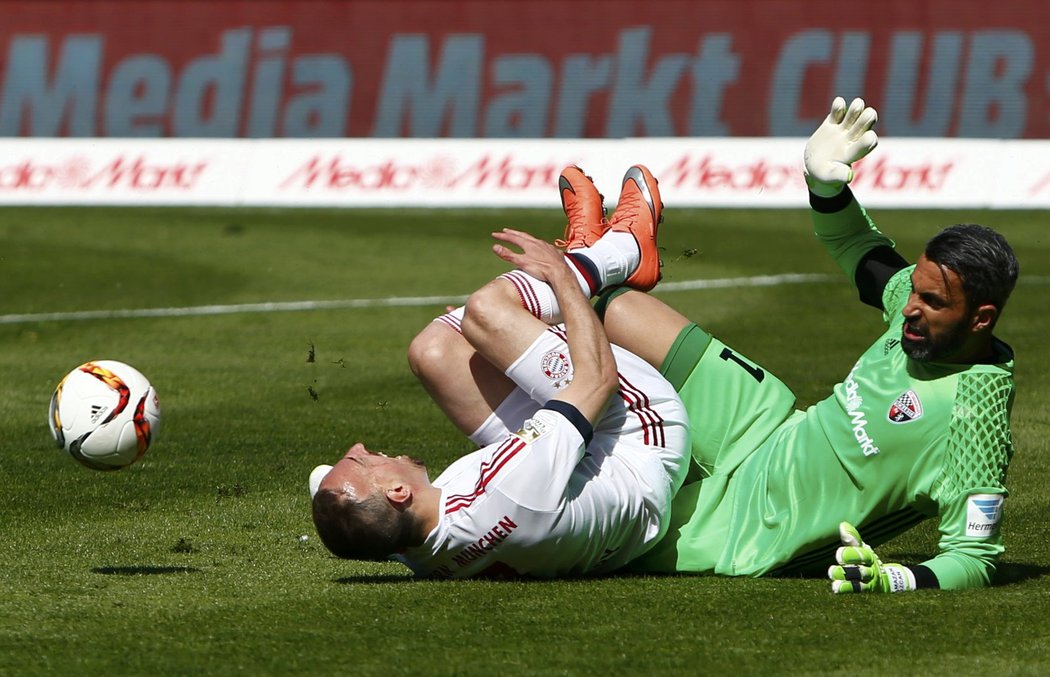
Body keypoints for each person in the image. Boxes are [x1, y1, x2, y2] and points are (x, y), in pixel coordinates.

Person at [407, 97, 1019, 593]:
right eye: (915, 290)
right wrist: (825, 186)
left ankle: (591, 261)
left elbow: (974, 555)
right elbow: (861, 251)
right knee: (616, 310)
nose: (910, 307)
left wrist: (898, 578)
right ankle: (605, 266)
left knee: (441, 353)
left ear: (981, 319)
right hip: (760, 423)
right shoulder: (913, 308)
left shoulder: (975, 417)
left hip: (736, 528)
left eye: (933, 303)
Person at [310, 166, 692, 578]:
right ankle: (620, 253)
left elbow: (344, 506)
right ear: (399, 492)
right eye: (365, 461)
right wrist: (559, 278)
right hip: (638, 437)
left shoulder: (400, 539)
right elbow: (597, 380)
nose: (364, 446)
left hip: (571, 477)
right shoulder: (512, 487)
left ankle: (585, 255)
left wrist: (357, 478)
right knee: (488, 313)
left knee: (434, 352)